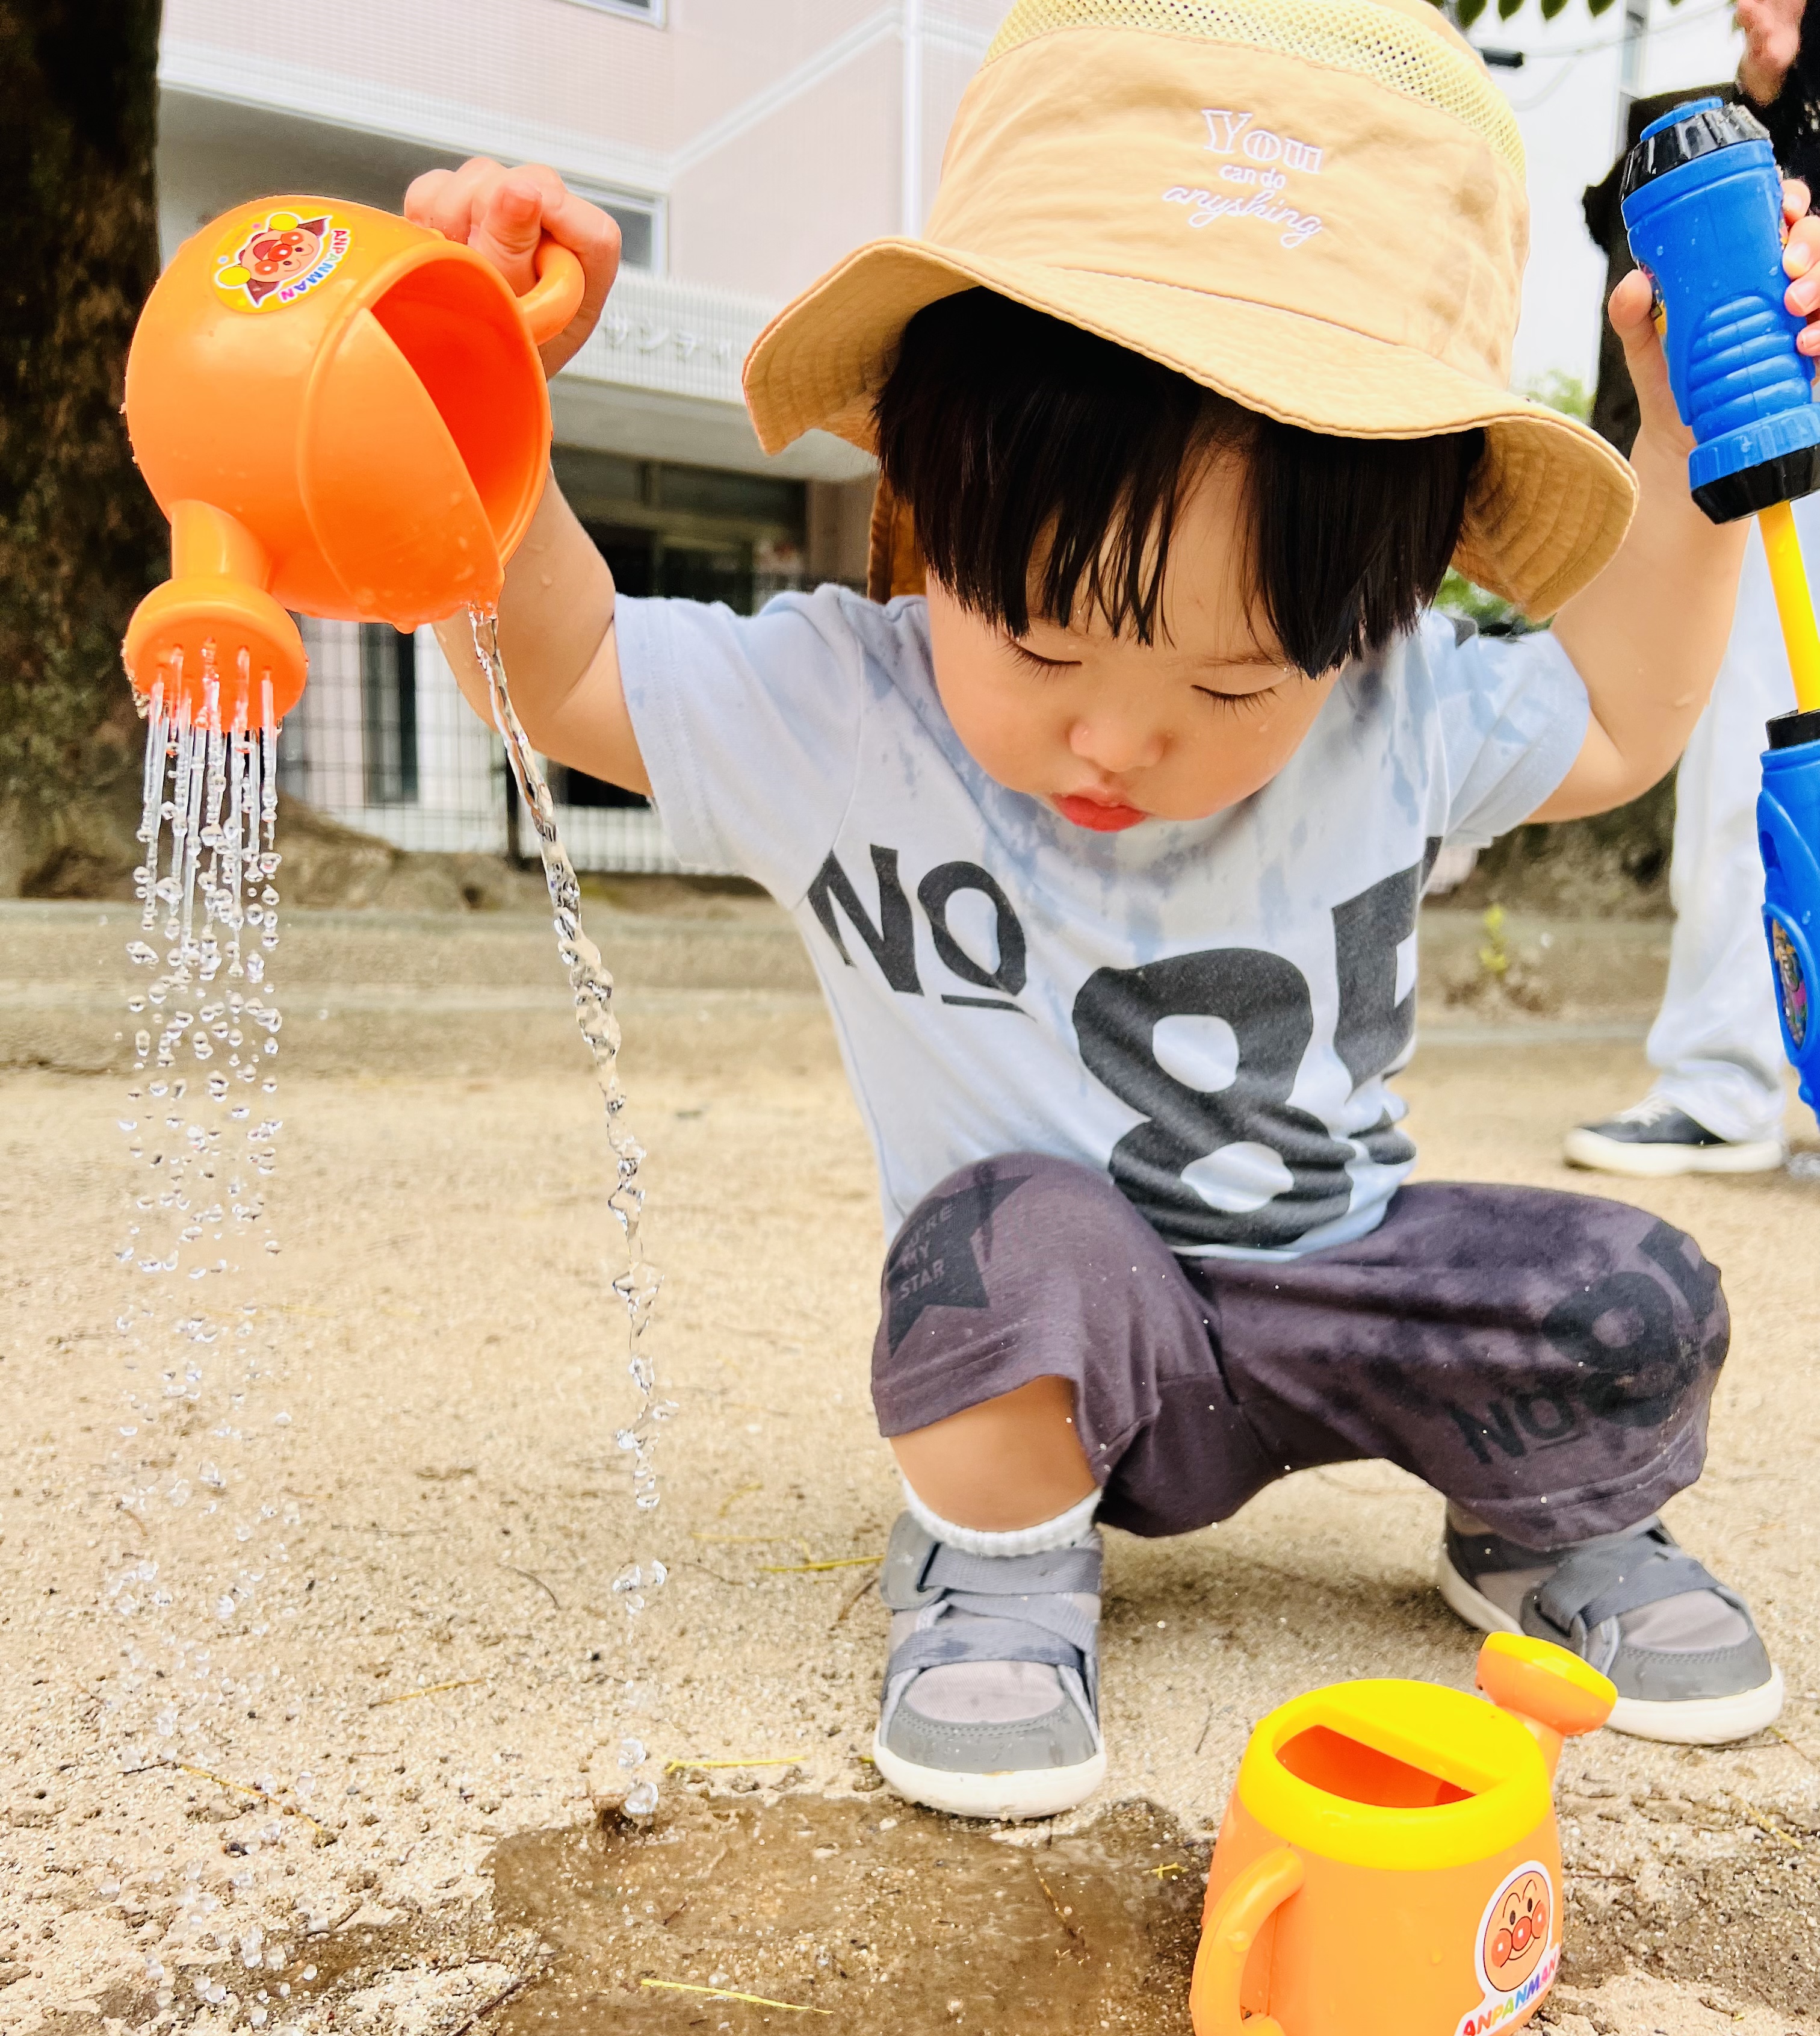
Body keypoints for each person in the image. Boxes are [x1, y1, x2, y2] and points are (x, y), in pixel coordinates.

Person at [420, 0, 1795, 1816]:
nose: (1118, 739)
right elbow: (570, 670)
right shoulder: (853, 715)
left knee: (1637, 1293)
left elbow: (1621, 717)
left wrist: (1696, 438)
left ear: (1372, 616)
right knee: (1004, 1245)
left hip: (1347, 1280)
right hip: (1052, 1340)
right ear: (929, 506)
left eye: (1235, 683)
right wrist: (477, 407)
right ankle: (994, 1562)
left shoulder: (1393, 712)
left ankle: (1544, 1525)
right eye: (1042, 640)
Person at [1568, 0, 1817, 1178]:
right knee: (1754, 750)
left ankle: (1727, 1081)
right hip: (1780, 437)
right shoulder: (1754, 117)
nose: (1748, 13)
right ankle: (1724, 1080)